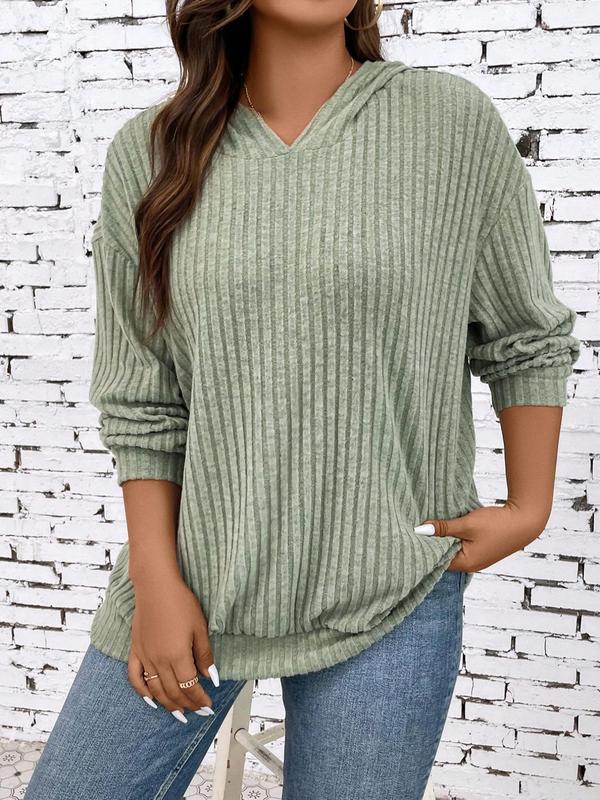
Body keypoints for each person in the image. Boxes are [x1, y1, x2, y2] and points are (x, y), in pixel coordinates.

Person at [25, 0, 580, 798]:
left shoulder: (449, 125)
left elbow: (524, 335)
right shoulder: (150, 152)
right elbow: (143, 400)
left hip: (389, 594)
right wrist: (155, 580)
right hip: (194, 580)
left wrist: (529, 508)